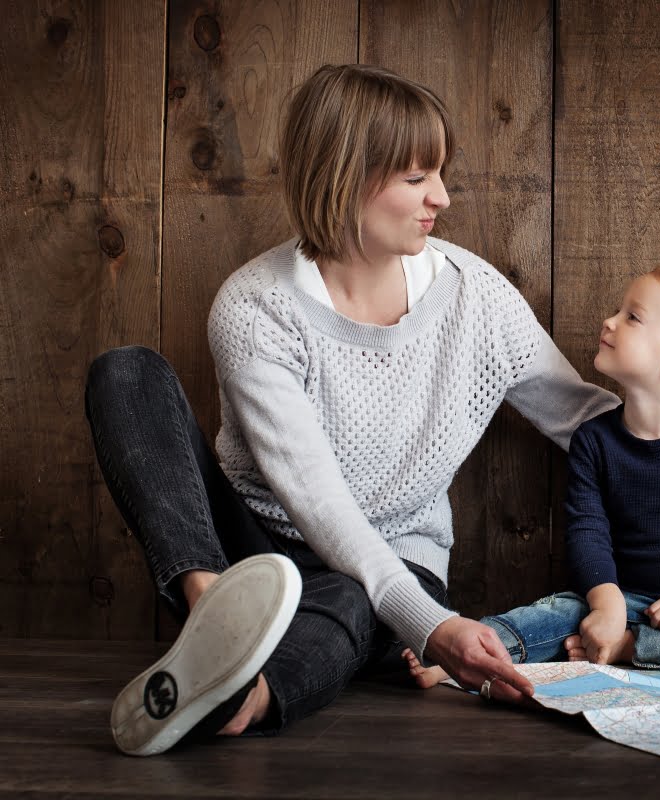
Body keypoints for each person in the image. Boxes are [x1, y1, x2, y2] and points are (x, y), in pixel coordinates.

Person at [84, 63, 619, 756]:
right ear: (346, 176)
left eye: (439, 173)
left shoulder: (475, 298)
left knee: (349, 597)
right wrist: (433, 630)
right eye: (416, 177)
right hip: (250, 549)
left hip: (392, 563)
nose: (443, 198)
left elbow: (585, 420)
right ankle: (214, 613)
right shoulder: (255, 307)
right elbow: (318, 501)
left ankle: (243, 695)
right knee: (127, 373)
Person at [407, 264, 660, 688]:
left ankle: (629, 649)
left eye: (632, 317)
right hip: (616, 594)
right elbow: (588, 529)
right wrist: (606, 604)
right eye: (619, 311)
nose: (610, 321)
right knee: (550, 615)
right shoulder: (595, 440)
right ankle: (461, 655)